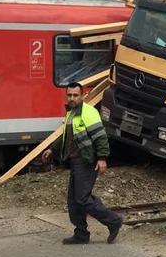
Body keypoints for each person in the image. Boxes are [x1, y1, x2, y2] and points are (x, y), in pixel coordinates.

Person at [41, 82, 123, 245]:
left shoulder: (88, 112)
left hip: (87, 162)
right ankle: (81, 234)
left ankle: (113, 221)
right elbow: (66, 136)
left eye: (75, 95)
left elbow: (100, 137)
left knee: (82, 199)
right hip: (76, 162)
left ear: (83, 96)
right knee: (74, 200)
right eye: (69, 95)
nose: (72, 98)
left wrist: (102, 158)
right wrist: (53, 150)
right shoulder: (71, 113)